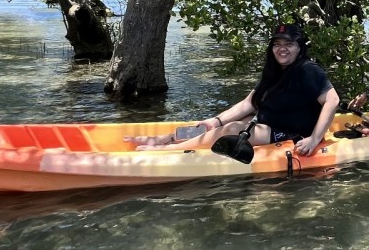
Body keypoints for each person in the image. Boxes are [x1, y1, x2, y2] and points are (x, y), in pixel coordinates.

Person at [129, 22, 340, 156]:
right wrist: (215, 120)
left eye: (289, 43)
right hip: (267, 126)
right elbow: (249, 103)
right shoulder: (275, 71)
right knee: (211, 126)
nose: (282, 48)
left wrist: (313, 139)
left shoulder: (308, 70)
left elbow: (332, 100)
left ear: (299, 47)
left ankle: (166, 150)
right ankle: (161, 139)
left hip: (295, 134)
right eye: (277, 44)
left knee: (234, 129)